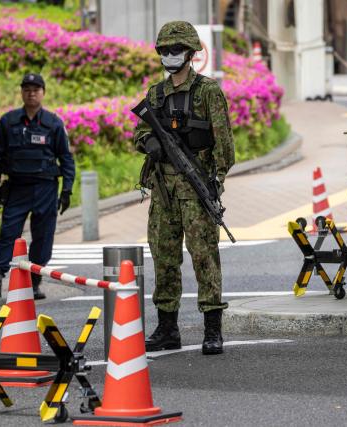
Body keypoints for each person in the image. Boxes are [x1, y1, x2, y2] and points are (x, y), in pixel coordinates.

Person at [133, 21, 235, 355]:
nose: (170, 55)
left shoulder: (208, 92)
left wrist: (215, 181)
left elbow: (225, 146)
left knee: (205, 256)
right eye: (164, 50)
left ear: (190, 53)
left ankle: (212, 328)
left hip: (196, 188)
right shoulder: (156, 94)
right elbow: (138, 134)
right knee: (164, 257)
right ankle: (167, 328)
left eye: (176, 50)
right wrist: (151, 144)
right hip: (163, 190)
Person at [0, 73, 75, 300]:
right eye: (27, 89)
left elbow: (66, 158)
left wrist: (66, 190)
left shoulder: (54, 123)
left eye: (36, 89)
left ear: (43, 92)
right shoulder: (8, 122)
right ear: (22, 92)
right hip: (17, 187)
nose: (31, 93)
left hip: (45, 188)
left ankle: (34, 281)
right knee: (8, 234)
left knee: (43, 236)